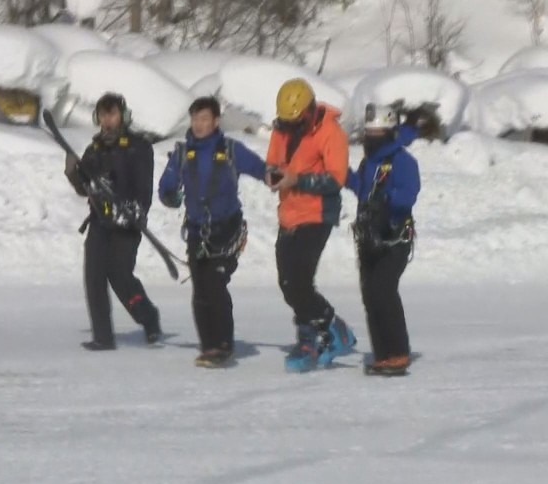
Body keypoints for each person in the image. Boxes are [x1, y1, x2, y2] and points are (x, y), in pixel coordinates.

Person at [158, 96, 266, 368]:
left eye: (205, 119)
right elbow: (166, 185)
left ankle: (223, 344)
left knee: (215, 285)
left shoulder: (231, 150)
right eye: (195, 119)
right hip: (197, 231)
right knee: (200, 289)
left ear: (216, 121)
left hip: (227, 228)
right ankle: (209, 346)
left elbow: (264, 170)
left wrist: (284, 178)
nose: (199, 124)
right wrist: (169, 195)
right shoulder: (183, 153)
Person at [265, 78, 357, 373]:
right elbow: (272, 163)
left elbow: (336, 179)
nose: (291, 126)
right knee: (287, 284)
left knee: (300, 280)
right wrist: (273, 175)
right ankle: (315, 332)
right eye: (286, 121)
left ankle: (326, 330)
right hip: (288, 213)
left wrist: (298, 180)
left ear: (309, 109)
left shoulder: (330, 132)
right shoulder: (281, 130)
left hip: (317, 214)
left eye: (296, 121)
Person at [64, 92, 161, 351]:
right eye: (104, 115)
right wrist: (74, 173)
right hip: (99, 220)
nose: (108, 121)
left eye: (113, 114)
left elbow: (144, 190)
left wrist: (134, 212)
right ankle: (103, 337)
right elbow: (85, 189)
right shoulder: (93, 150)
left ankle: (148, 317)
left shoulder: (139, 147)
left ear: (123, 116)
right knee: (93, 276)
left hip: (128, 222)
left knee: (119, 275)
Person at [346, 103, 421, 376]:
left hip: (394, 236)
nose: (371, 136)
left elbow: (409, 193)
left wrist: (386, 201)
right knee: (369, 293)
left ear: (389, 131)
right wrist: (345, 177)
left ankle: (398, 352)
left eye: (377, 131)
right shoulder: (370, 162)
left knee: (383, 289)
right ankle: (382, 353)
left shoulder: (402, 161)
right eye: (369, 131)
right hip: (369, 235)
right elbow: (362, 190)